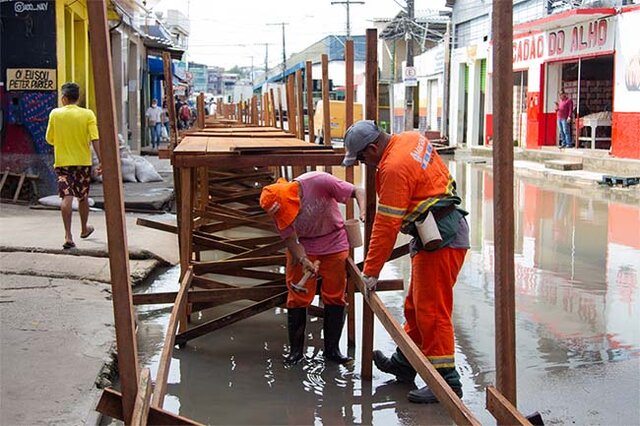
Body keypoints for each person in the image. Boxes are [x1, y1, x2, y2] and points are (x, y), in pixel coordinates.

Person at [342, 120, 469, 404]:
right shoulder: (410, 139)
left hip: (441, 238)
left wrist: (371, 272)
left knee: (432, 311)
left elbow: (386, 225)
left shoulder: (393, 167)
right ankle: (405, 362)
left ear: (373, 148)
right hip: (437, 229)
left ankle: (446, 382)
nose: (365, 165)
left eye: (363, 158)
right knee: (415, 306)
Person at [259, 171, 365, 366]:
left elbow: (358, 191)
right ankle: (296, 353)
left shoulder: (319, 181)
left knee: (335, 295)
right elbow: (291, 239)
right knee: (297, 298)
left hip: (334, 241)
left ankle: (332, 351)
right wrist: (303, 259)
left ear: (296, 198)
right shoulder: (277, 208)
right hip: (304, 245)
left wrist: (364, 212)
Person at [45, 82, 101, 249]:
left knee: (66, 197)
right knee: (82, 197)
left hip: (63, 163)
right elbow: (94, 138)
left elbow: (50, 138)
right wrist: (102, 161)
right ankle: (84, 229)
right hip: (82, 163)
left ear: (63, 98)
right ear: (78, 98)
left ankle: (68, 235)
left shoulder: (55, 114)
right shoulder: (88, 114)